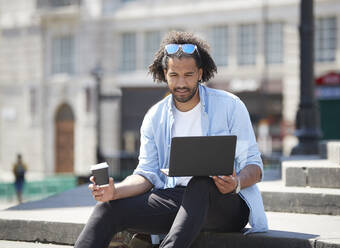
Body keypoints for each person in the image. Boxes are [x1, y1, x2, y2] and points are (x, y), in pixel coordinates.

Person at [75, 31, 268, 248]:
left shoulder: (230, 106)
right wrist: (114, 191)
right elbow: (146, 174)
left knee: (201, 181)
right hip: (176, 199)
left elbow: (255, 166)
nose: (181, 83)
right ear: (165, 74)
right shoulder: (154, 117)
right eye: (174, 75)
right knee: (108, 208)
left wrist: (236, 183)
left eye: (188, 74)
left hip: (226, 204)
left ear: (200, 73)